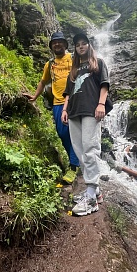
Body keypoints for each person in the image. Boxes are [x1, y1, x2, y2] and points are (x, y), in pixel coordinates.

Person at [61, 32, 110, 216]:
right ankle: (95, 192)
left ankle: (90, 197)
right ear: (75, 48)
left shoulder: (98, 63)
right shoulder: (73, 71)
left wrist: (101, 104)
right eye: (78, 44)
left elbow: (104, 85)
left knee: (90, 148)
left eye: (84, 43)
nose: (81, 46)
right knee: (80, 151)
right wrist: (65, 110)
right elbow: (68, 93)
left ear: (89, 45)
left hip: (91, 110)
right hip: (74, 112)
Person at [25, 31, 79, 184]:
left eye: (60, 41)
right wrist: (35, 96)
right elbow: (43, 82)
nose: (57, 44)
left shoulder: (74, 58)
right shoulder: (49, 64)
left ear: (65, 44)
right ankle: (75, 161)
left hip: (75, 101)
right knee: (62, 134)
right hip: (58, 102)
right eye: (54, 42)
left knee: (74, 133)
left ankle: (73, 167)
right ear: (51, 46)